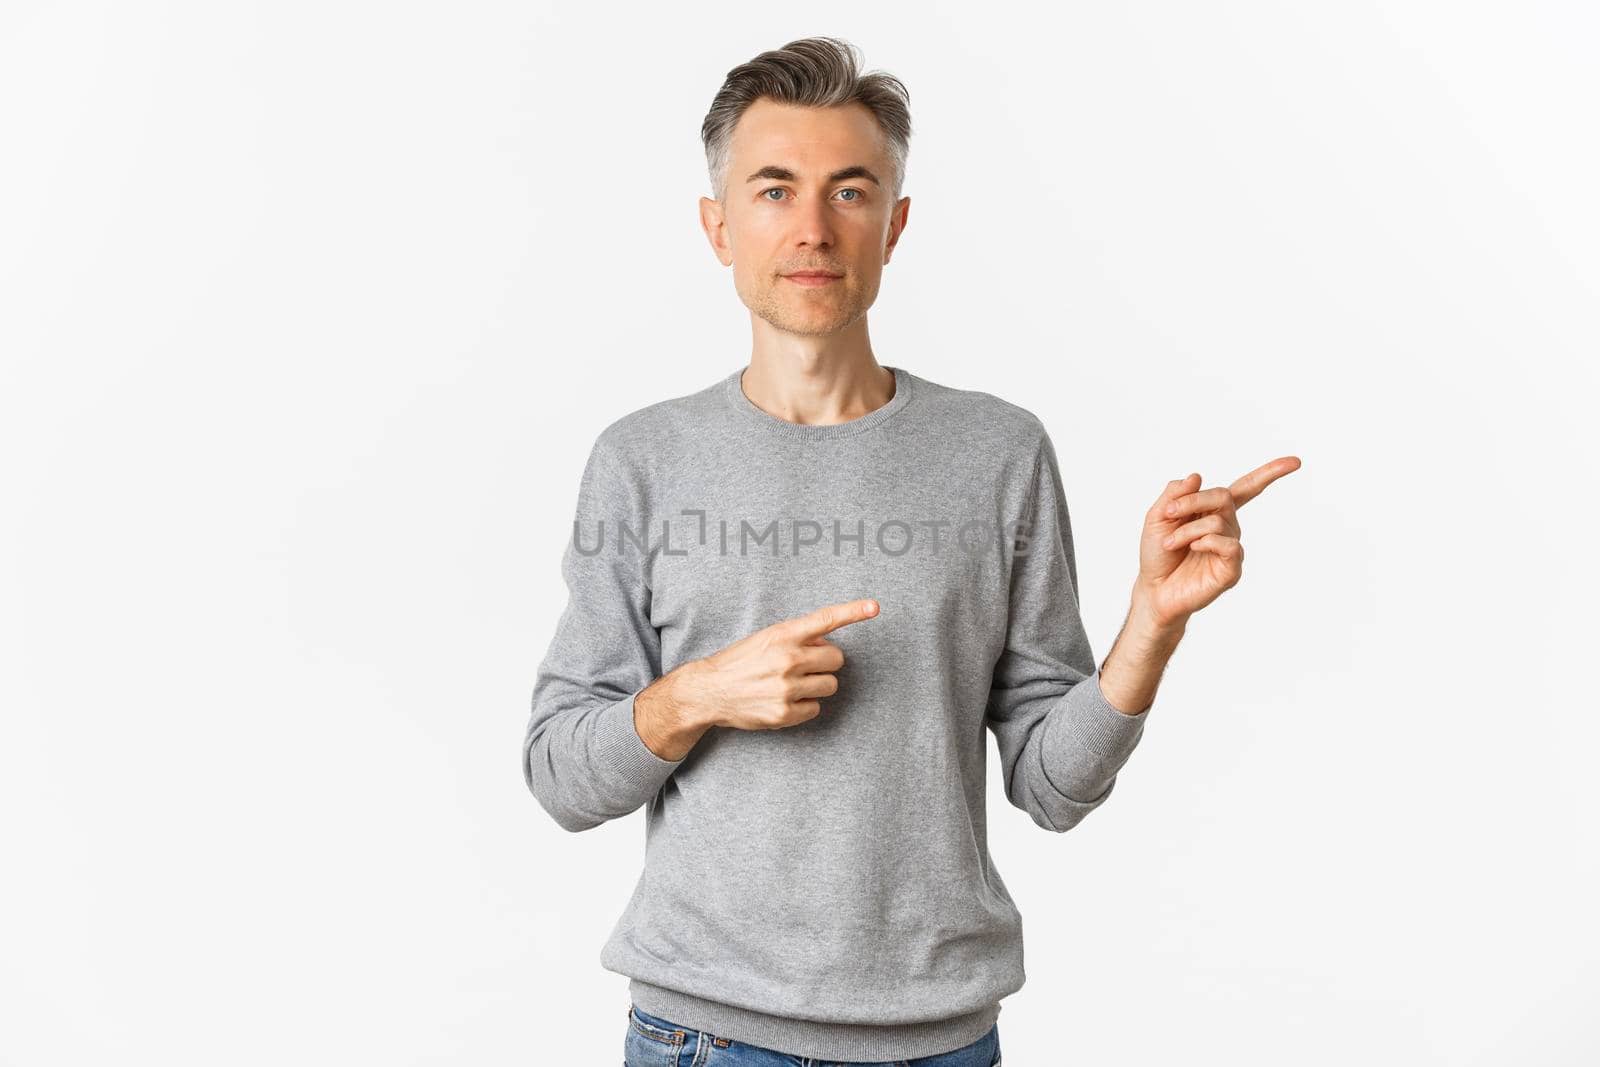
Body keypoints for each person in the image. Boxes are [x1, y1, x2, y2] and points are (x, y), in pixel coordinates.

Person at [523, 36, 1300, 1066]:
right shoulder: (641, 459)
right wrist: (696, 694)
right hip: (704, 1033)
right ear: (717, 226)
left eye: (850, 192)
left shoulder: (997, 450)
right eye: (772, 189)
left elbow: (1051, 786)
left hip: (939, 1039)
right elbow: (561, 776)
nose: (811, 227)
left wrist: (1148, 626)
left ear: (893, 225)